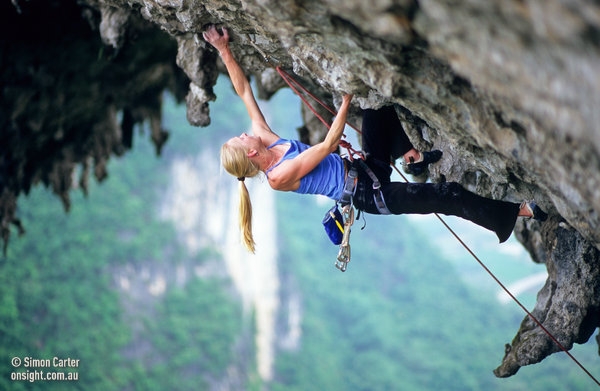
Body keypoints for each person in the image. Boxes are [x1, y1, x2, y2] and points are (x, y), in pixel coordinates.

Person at [203, 25, 547, 253]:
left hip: (367, 168)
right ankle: (517, 212)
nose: (246, 131)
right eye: (241, 137)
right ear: (250, 152)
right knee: (448, 195)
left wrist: (223, 50)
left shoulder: (263, 139)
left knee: (378, 108)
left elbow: (245, 91)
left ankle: (409, 155)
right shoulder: (278, 176)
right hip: (370, 195)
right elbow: (327, 145)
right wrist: (347, 97)